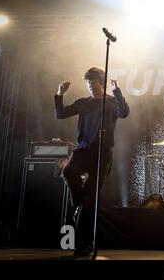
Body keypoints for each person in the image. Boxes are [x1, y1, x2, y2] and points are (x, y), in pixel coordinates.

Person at [54, 67, 129, 256]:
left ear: (101, 83)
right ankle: (79, 203)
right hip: (83, 151)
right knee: (67, 172)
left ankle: (85, 243)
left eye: (94, 82)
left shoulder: (111, 103)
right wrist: (59, 94)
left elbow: (124, 113)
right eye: (88, 83)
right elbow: (60, 114)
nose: (90, 86)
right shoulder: (84, 103)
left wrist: (117, 92)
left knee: (91, 199)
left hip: (102, 154)